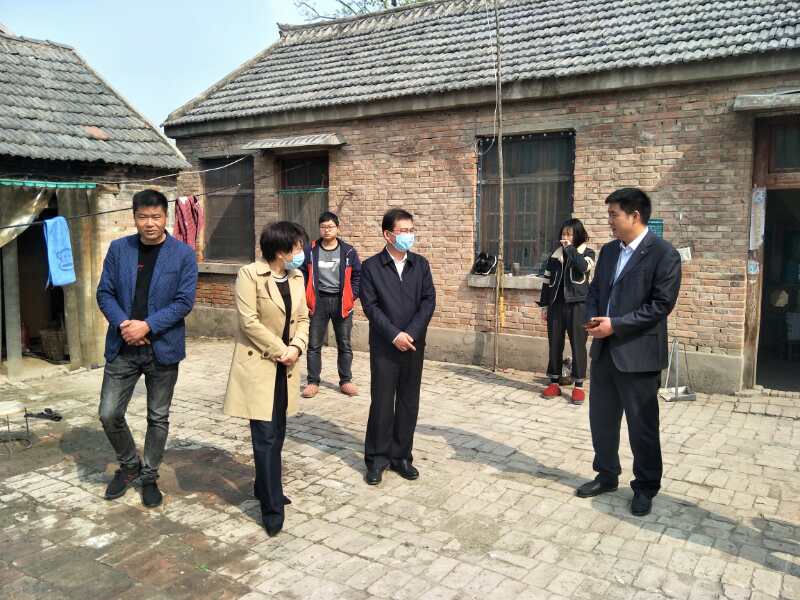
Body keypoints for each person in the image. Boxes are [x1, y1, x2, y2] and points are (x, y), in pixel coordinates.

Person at [577, 187, 681, 517]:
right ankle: (606, 475)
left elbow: (660, 305)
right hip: (605, 352)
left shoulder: (664, 254)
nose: (609, 221)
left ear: (634, 216)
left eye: (613, 215)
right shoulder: (609, 252)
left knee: (642, 427)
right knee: (602, 421)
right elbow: (595, 291)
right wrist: (592, 318)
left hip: (639, 356)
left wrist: (616, 325)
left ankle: (645, 487)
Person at [96, 189, 198, 508]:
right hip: (123, 345)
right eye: (143, 217)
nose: (149, 223)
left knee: (158, 416)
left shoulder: (183, 254)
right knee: (109, 413)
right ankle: (130, 466)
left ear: (166, 217)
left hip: (162, 348)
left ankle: (150, 475)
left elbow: (184, 301)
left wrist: (148, 326)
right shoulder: (119, 249)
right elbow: (105, 293)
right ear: (134, 217)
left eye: (156, 217)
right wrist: (124, 325)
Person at [223, 221, 309, 537]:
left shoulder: (297, 276)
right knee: (265, 436)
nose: (301, 252)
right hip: (261, 364)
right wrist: (280, 350)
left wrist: (296, 347)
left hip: (287, 366)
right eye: (297, 247)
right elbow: (248, 322)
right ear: (280, 250)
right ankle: (272, 508)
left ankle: (264, 486)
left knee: (278, 431)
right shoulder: (250, 274)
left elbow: (304, 317)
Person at [360, 208, 436, 485]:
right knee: (382, 402)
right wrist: (394, 335)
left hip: (413, 345)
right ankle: (377, 459)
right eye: (403, 231)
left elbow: (428, 301)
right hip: (385, 345)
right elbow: (370, 306)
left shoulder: (420, 264)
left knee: (408, 401)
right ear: (388, 234)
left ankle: (402, 456)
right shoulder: (371, 267)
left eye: (411, 230)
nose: (409, 235)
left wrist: (411, 334)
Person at [300, 211, 361, 398]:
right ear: (319, 229)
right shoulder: (310, 251)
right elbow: (302, 274)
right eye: (323, 227)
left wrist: (352, 296)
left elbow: (358, 276)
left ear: (337, 228)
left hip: (341, 302)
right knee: (314, 344)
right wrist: (306, 296)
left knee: (344, 343)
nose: (327, 230)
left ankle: (346, 381)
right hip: (317, 301)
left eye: (330, 227)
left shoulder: (348, 251)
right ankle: (313, 382)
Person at [538, 218, 595, 404]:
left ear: (577, 235)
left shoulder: (588, 253)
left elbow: (583, 267)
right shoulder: (554, 256)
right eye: (563, 233)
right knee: (555, 343)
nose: (565, 237)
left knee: (578, 345)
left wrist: (570, 249)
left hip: (578, 305)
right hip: (556, 305)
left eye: (569, 234)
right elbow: (546, 282)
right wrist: (544, 305)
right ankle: (554, 382)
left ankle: (578, 386)